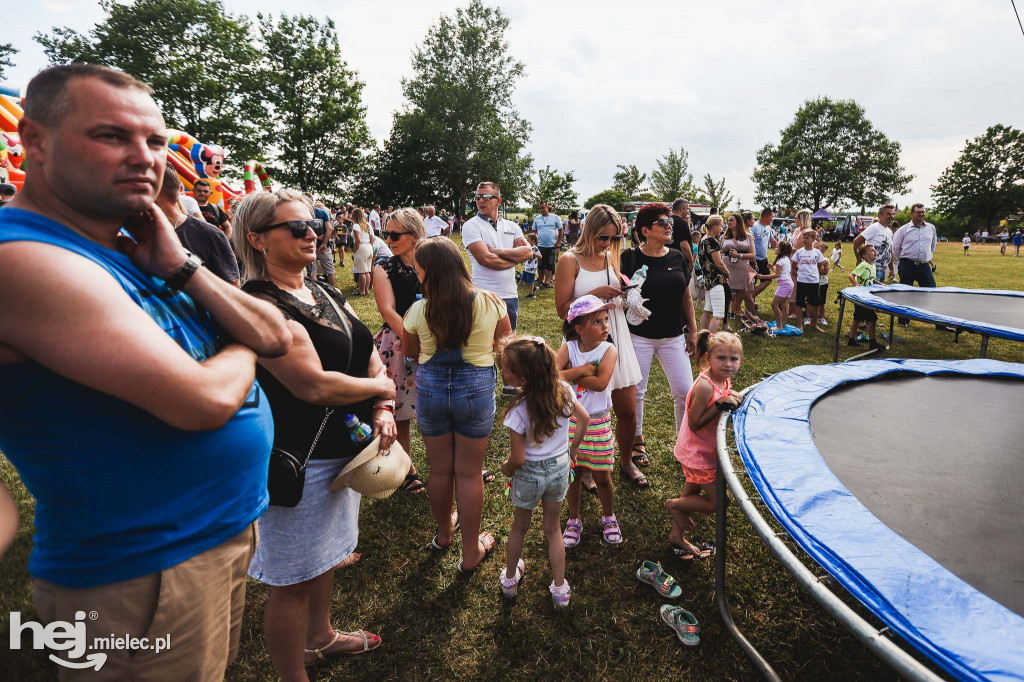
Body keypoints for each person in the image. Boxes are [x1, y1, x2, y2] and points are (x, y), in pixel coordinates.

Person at [0, 63, 291, 680]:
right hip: (138, 576)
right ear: (36, 142)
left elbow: (276, 332)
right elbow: (201, 401)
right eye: (111, 136)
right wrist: (238, 347)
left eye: (156, 141)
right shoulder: (23, 258)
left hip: (215, 537)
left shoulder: (132, 251)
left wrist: (181, 265)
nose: (145, 157)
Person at [232, 189, 395, 678]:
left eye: (315, 222)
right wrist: (381, 384)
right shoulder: (259, 304)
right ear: (257, 239)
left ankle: (321, 637)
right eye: (297, 227)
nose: (314, 232)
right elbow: (313, 384)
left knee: (326, 556)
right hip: (298, 459)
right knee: (292, 581)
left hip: (343, 449)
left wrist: (384, 403)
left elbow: (364, 345)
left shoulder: (321, 288)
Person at [403, 237, 512, 573]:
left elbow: (410, 352)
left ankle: (444, 533)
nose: (416, 272)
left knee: (439, 469)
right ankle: (470, 552)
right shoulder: (491, 301)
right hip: (476, 388)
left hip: (432, 388)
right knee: (468, 473)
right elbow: (504, 343)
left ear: (430, 271)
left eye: (418, 268)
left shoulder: (419, 309)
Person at [554, 204, 644, 493]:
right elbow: (562, 309)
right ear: (589, 231)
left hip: (616, 332)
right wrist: (594, 296)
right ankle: (587, 465)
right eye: (603, 237)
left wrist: (628, 296)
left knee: (627, 408)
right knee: (588, 409)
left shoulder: (609, 257)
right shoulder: (570, 260)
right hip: (586, 341)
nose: (609, 243)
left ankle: (627, 460)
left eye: (615, 238)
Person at [498, 336, 588, 607]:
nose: (501, 371)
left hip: (528, 474)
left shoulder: (518, 411)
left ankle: (510, 580)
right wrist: (572, 452)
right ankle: (560, 589)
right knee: (553, 530)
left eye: (505, 369)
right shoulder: (563, 390)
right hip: (560, 468)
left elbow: (518, 457)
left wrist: (506, 468)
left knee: (520, 526)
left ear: (522, 379)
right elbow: (583, 419)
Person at [620, 203, 698, 487]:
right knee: (637, 393)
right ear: (644, 230)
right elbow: (620, 293)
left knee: (685, 391)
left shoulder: (677, 256)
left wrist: (693, 329)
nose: (669, 225)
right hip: (638, 337)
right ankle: (637, 440)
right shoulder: (628, 257)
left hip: (673, 337)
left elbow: (685, 297)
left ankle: (685, 443)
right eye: (662, 222)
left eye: (669, 221)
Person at [666, 331, 743, 560]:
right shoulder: (706, 386)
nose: (728, 364)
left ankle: (676, 536)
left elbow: (724, 394)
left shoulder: (722, 378)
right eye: (721, 358)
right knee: (720, 502)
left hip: (704, 451)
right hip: (697, 453)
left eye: (734, 359)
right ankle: (673, 505)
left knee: (692, 490)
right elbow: (696, 422)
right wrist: (720, 403)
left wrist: (730, 394)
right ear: (708, 358)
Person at [557, 295, 621, 546]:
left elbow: (601, 383)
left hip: (597, 422)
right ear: (579, 330)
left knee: (602, 476)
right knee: (573, 473)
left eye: (606, 320)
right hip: (570, 422)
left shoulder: (609, 349)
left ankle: (609, 516)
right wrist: (582, 370)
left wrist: (566, 377)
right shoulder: (569, 347)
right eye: (597, 322)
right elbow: (551, 374)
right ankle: (574, 518)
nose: (606, 326)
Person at [372, 208, 428, 495]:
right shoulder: (384, 267)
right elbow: (387, 310)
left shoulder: (432, 262)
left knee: (438, 409)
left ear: (415, 235)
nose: (389, 239)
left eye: (395, 234)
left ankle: (449, 462)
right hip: (398, 343)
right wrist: (413, 339)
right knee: (402, 413)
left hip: (434, 343)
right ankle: (408, 469)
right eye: (386, 234)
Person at [461, 181, 532, 336]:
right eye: (477, 197)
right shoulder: (471, 226)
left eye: (486, 197)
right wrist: (515, 259)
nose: (480, 201)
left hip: (510, 296)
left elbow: (528, 252)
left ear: (498, 201)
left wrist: (496, 251)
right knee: (483, 347)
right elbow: (487, 260)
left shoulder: (512, 227)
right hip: (483, 296)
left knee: (507, 347)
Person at [154, 162, 240, 285]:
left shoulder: (208, 233)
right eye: (199, 191)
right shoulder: (134, 234)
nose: (202, 194)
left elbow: (233, 287)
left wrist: (224, 238)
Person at [892, 203, 938, 325]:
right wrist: (906, 259)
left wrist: (926, 257)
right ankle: (903, 321)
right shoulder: (903, 229)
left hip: (924, 266)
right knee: (906, 293)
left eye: (923, 212)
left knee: (933, 292)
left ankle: (940, 323)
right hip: (907, 265)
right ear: (912, 213)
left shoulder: (931, 228)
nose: (921, 214)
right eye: (918, 212)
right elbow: (896, 248)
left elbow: (933, 245)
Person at [721, 213, 762, 328]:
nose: (728, 222)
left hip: (742, 267)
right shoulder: (723, 236)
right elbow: (719, 251)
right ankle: (725, 321)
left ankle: (753, 319)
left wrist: (738, 255)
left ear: (738, 222)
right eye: (728, 220)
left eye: (731, 220)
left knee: (748, 296)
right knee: (726, 295)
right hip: (727, 267)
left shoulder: (748, 236)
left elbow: (753, 255)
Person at [847, 244, 885, 351]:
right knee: (872, 318)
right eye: (872, 250)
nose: (875, 252)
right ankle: (872, 343)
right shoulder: (864, 265)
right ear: (864, 256)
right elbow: (851, 275)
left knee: (857, 318)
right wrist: (856, 285)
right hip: (861, 297)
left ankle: (851, 340)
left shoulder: (873, 265)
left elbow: (871, 279)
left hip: (867, 296)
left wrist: (880, 284)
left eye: (874, 250)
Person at [698, 215, 731, 333]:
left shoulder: (702, 240)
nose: (722, 229)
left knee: (707, 310)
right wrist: (727, 273)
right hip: (716, 280)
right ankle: (710, 339)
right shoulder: (712, 241)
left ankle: (703, 336)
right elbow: (719, 263)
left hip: (707, 279)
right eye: (721, 226)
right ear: (715, 227)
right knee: (718, 315)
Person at [793, 229, 828, 331]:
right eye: (803, 237)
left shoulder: (817, 252)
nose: (804, 239)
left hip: (814, 282)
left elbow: (819, 264)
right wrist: (799, 272)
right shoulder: (799, 252)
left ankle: (814, 324)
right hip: (801, 281)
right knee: (799, 303)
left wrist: (813, 272)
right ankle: (800, 325)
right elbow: (794, 265)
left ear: (813, 239)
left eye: (807, 238)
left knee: (815, 303)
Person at [754, 241, 794, 331]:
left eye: (777, 247)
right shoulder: (786, 259)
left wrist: (762, 276)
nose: (775, 248)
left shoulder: (780, 261)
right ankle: (782, 325)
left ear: (781, 250)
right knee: (784, 305)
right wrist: (772, 268)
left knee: (774, 304)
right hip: (789, 283)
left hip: (784, 284)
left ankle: (779, 326)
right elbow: (782, 272)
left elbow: (777, 275)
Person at [854, 204, 896, 282]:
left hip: (883, 270)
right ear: (880, 215)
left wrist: (892, 270)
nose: (892, 216)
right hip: (872, 269)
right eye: (888, 214)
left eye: (893, 214)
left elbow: (889, 251)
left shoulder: (889, 231)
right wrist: (859, 259)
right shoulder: (875, 227)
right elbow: (857, 241)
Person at [532, 201, 563, 288]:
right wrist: (534, 243)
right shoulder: (537, 219)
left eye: (543, 208)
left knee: (550, 264)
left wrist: (559, 242)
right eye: (540, 208)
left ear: (547, 207)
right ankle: (541, 280)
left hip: (552, 246)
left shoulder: (555, 217)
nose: (541, 210)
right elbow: (534, 232)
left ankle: (547, 282)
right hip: (540, 246)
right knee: (540, 264)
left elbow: (561, 230)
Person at [750, 208, 778, 298]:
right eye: (772, 217)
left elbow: (772, 241)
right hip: (754, 260)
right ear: (767, 216)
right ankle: (750, 301)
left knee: (768, 280)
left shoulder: (768, 227)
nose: (772, 219)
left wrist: (781, 250)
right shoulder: (754, 227)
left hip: (763, 259)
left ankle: (751, 297)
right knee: (752, 282)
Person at [351, 207, 374, 295]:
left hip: (361, 247)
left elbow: (358, 240)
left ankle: (361, 291)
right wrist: (369, 247)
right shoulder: (368, 225)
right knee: (367, 271)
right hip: (369, 247)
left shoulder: (356, 225)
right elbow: (372, 238)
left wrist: (354, 250)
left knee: (361, 272)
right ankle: (367, 290)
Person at [669, 198, 696, 270]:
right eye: (687, 209)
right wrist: (691, 261)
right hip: (680, 261)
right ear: (681, 209)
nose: (688, 211)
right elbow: (684, 245)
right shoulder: (682, 222)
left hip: (668, 258)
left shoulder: (667, 221)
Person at [812, 237, 831, 328]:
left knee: (821, 301)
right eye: (814, 246)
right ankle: (811, 316)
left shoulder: (826, 260)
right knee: (811, 300)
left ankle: (821, 316)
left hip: (822, 282)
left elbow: (825, 272)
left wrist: (814, 269)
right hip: (812, 282)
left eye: (817, 247)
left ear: (822, 250)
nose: (815, 248)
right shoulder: (811, 258)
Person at [521, 233, 540, 298]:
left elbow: (540, 256)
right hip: (526, 267)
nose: (527, 241)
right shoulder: (528, 248)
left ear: (533, 240)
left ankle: (531, 294)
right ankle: (534, 288)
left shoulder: (535, 248)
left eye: (528, 240)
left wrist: (532, 254)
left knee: (530, 281)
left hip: (532, 269)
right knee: (524, 279)